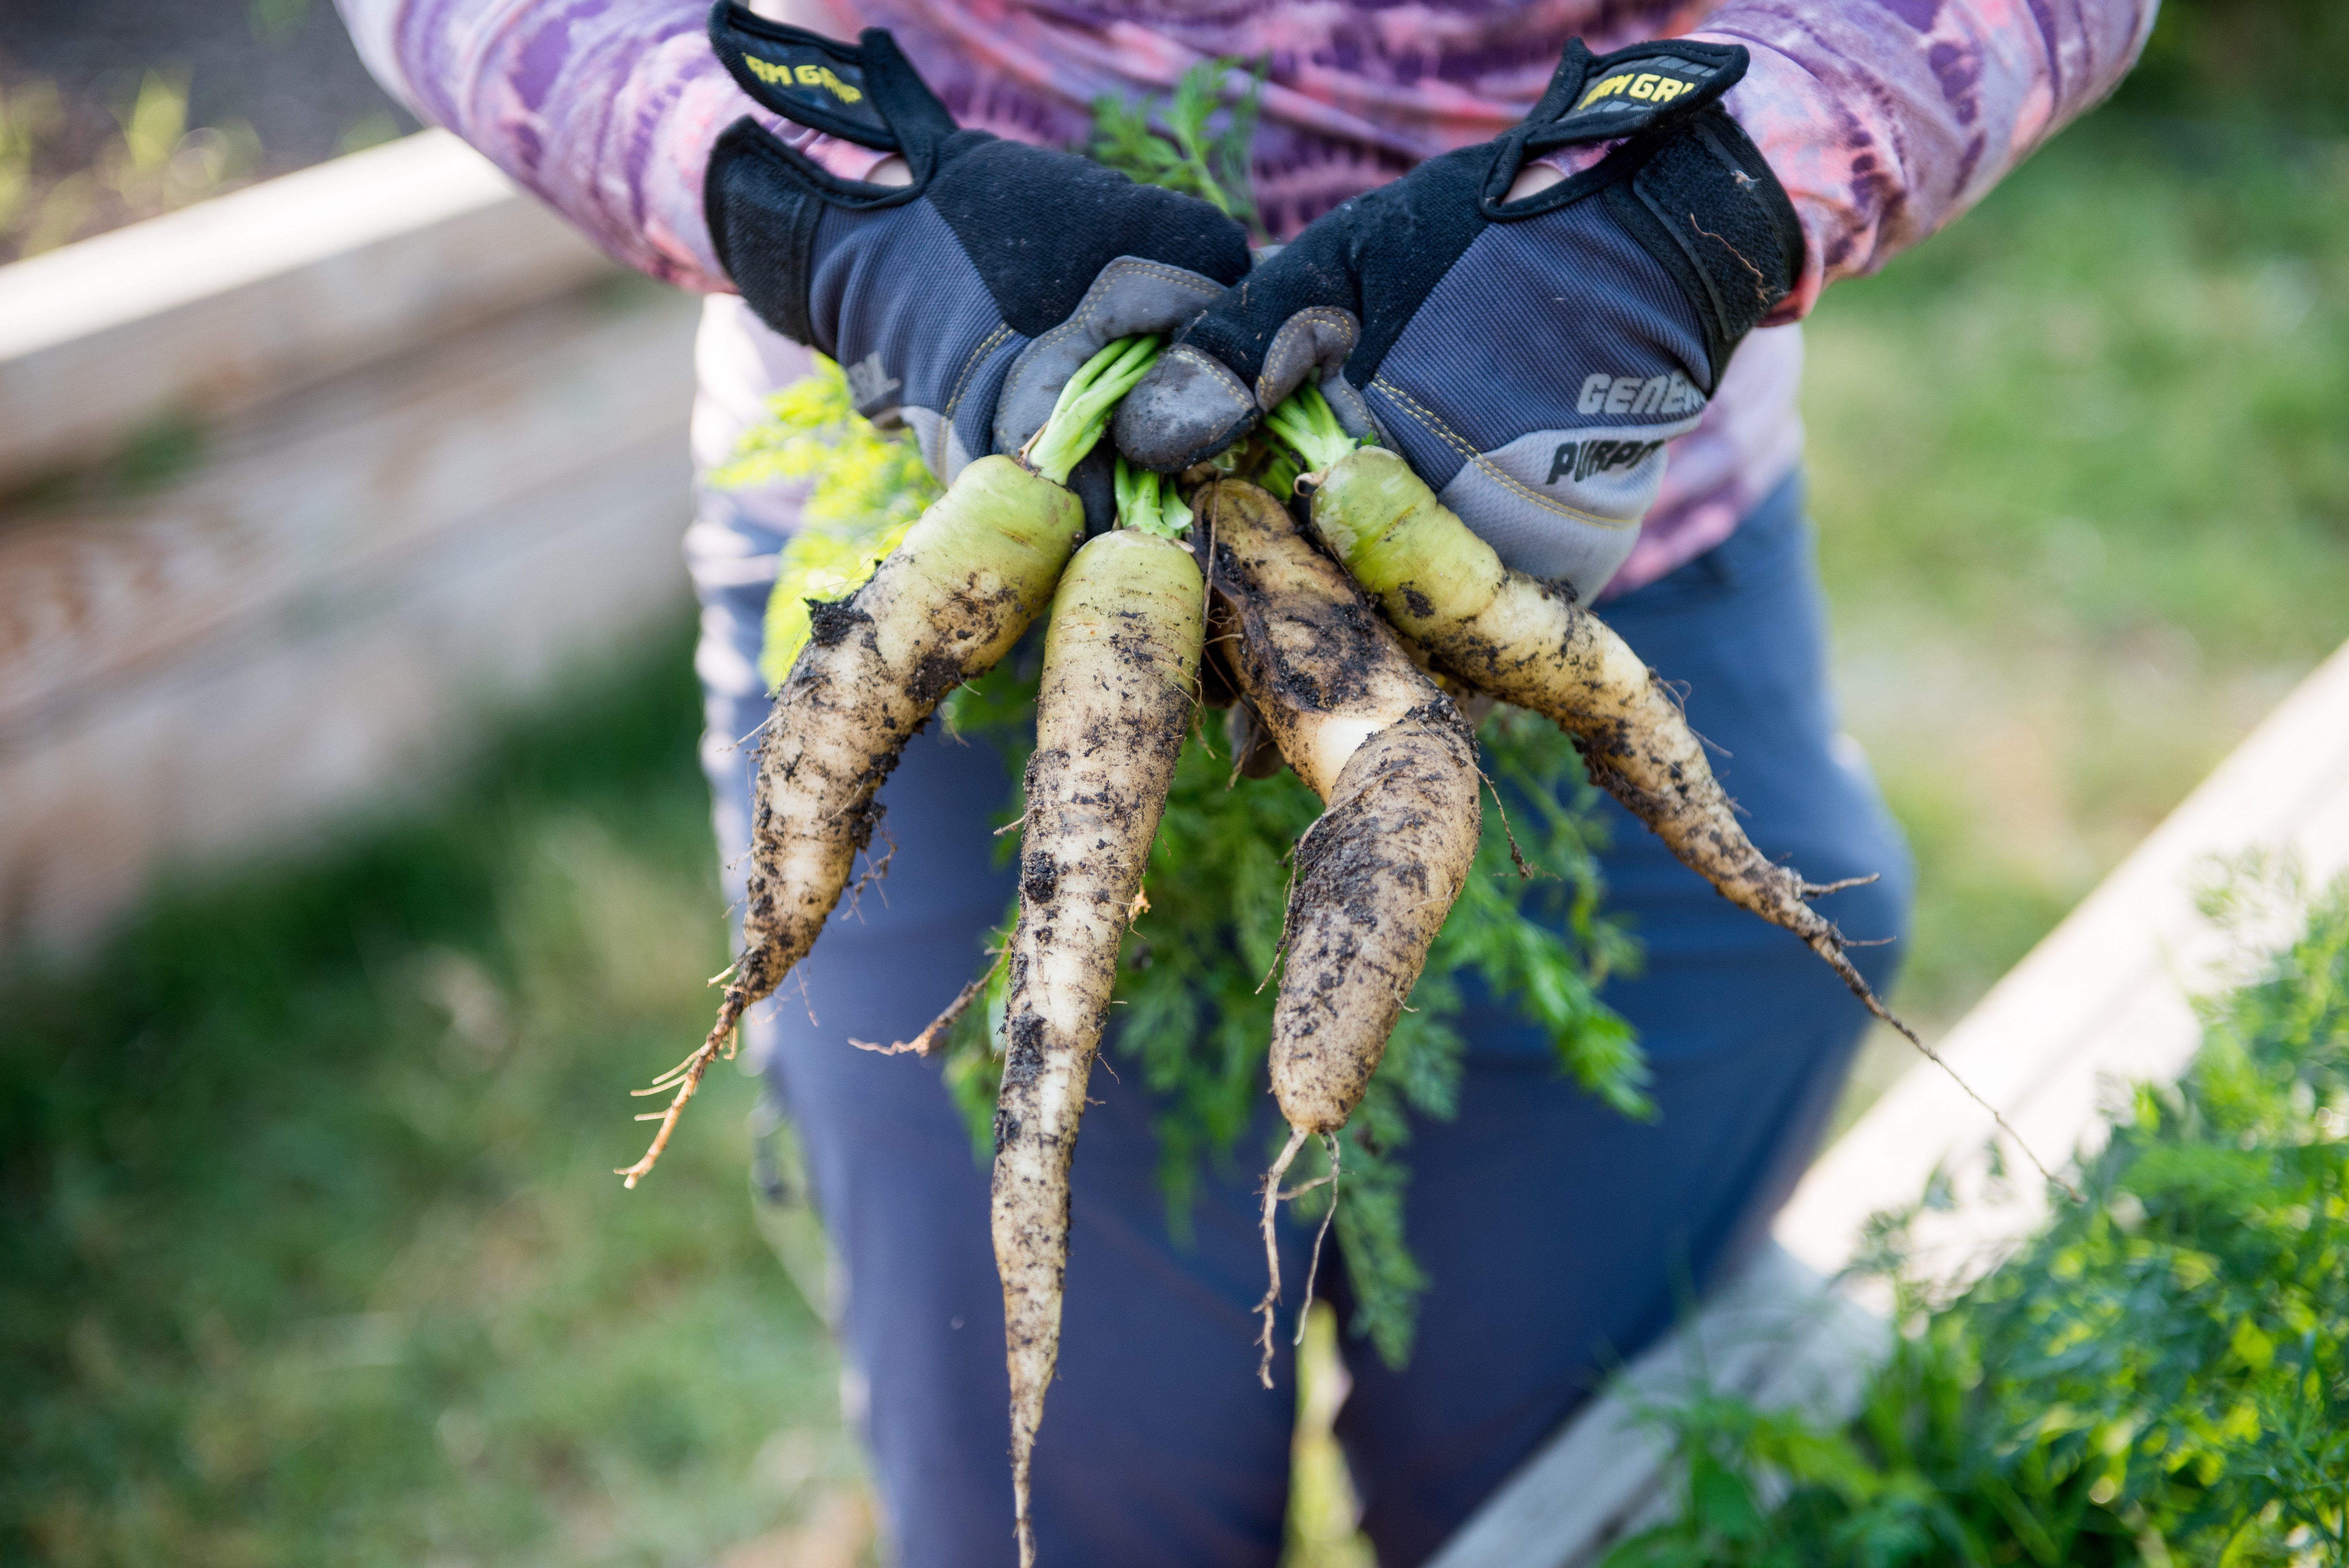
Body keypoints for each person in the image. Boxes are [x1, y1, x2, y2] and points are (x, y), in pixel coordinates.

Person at [333, 1, 2153, 1562]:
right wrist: (805, 198)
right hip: (945, 616)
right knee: (1065, 1493)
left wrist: (1700, 202)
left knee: (1595, 1490)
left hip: (1598, 535)